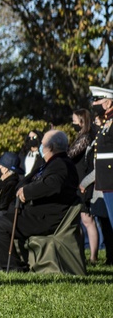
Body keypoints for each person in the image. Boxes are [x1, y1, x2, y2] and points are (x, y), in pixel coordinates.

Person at [0, 130, 79, 272]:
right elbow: (28, 179)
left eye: (42, 144)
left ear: (51, 147)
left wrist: (27, 192)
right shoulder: (49, 163)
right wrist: (23, 187)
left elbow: (52, 185)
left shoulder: (61, 164)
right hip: (36, 214)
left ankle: (13, 267)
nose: (40, 147)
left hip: (45, 218)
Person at [68, 108, 99, 263]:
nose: (72, 123)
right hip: (78, 181)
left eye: (74, 121)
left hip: (83, 182)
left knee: (87, 219)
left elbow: (70, 154)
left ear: (82, 121)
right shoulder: (82, 136)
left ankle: (93, 256)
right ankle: (84, 254)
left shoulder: (86, 137)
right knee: (82, 219)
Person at [89, 86, 113, 260]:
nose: (94, 104)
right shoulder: (106, 121)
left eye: (97, 100)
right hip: (106, 180)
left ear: (108, 101)